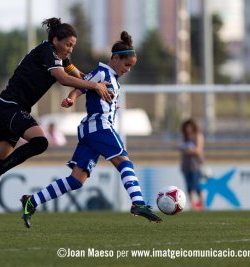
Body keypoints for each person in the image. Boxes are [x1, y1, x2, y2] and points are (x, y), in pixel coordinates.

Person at [0, 17, 113, 225]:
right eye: (68, 44)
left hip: (11, 106)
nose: (70, 50)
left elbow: (81, 76)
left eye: (73, 46)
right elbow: (63, 79)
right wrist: (93, 86)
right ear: (56, 40)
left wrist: (100, 85)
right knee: (40, 142)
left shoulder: (61, 58)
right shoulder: (48, 53)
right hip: (11, 105)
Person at [20, 31, 162, 228]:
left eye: (131, 66)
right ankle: (138, 202)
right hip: (99, 127)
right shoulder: (102, 72)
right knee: (123, 160)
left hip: (92, 131)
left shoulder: (113, 80)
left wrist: (113, 106)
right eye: (126, 65)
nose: (128, 69)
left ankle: (32, 201)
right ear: (115, 58)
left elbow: (99, 96)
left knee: (77, 180)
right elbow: (81, 86)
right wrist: (72, 98)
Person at [179, 118, 205, 210]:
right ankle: (193, 205)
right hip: (186, 165)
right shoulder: (185, 137)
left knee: (196, 184)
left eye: (189, 127)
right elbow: (181, 148)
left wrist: (188, 150)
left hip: (195, 165)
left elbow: (198, 151)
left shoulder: (198, 135)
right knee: (189, 186)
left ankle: (202, 203)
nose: (188, 130)